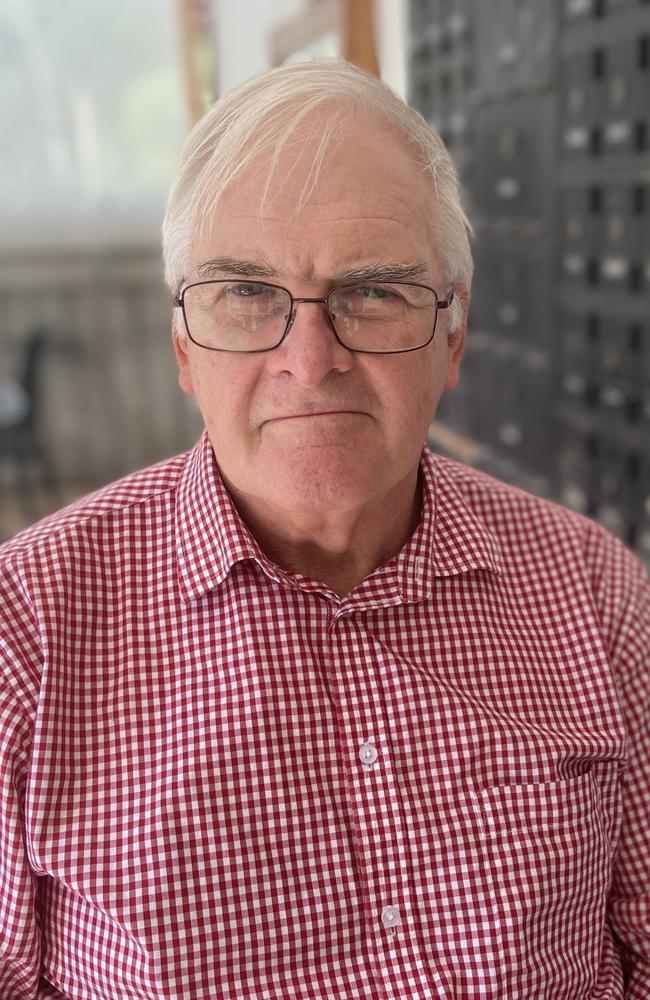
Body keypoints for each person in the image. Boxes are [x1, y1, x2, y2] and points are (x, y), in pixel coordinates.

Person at [0, 59, 648, 1000]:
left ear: (454, 337)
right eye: (247, 294)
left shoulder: (596, 593)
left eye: (374, 292)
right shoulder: (28, 631)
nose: (311, 361)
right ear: (185, 346)